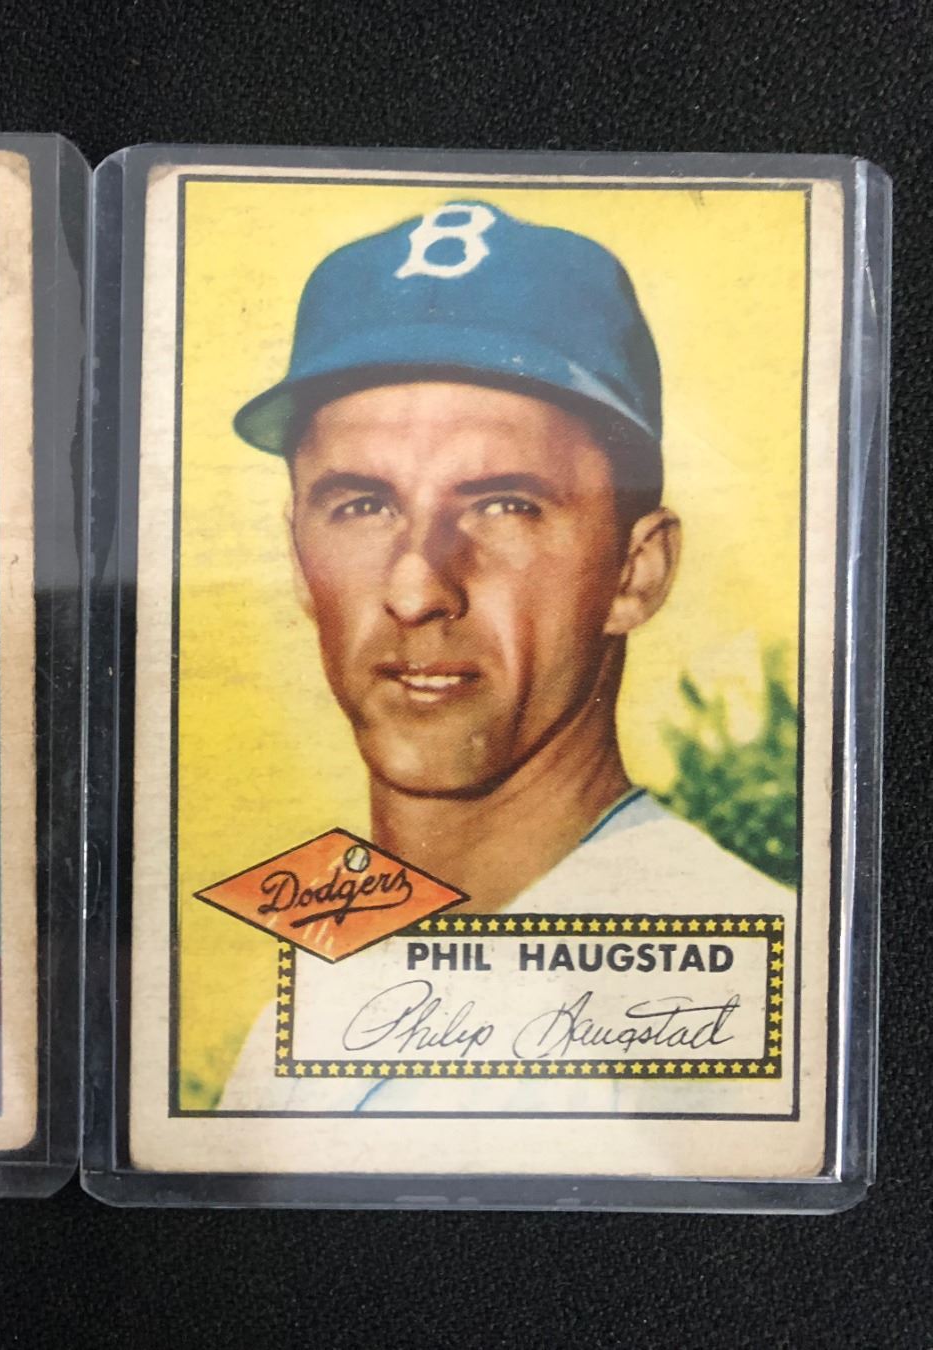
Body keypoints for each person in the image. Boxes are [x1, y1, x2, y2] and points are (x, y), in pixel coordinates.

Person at [215, 202, 790, 1111]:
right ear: (297, 559)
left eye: (505, 505)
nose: (416, 587)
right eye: (363, 505)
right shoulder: (321, 949)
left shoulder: (746, 985)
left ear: (635, 572)